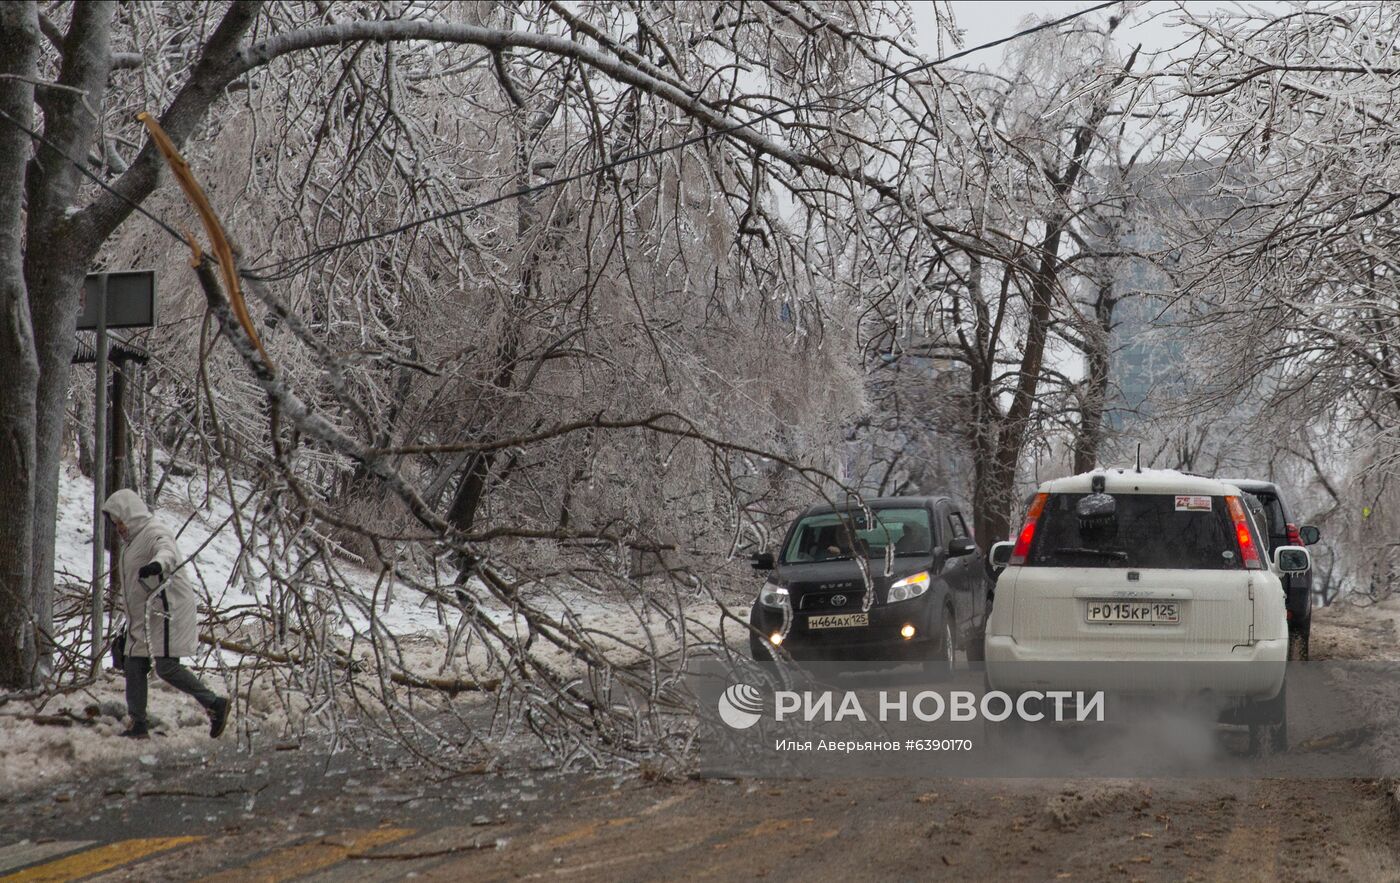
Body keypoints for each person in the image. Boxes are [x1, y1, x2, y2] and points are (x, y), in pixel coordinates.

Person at [101, 489, 229, 740]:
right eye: (115, 524)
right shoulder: (131, 543)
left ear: (130, 514)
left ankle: (214, 703)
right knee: (133, 662)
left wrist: (158, 564)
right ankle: (138, 724)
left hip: (169, 610)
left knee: (167, 667)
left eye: (120, 522)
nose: (119, 528)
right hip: (145, 615)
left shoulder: (153, 531)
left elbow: (166, 551)